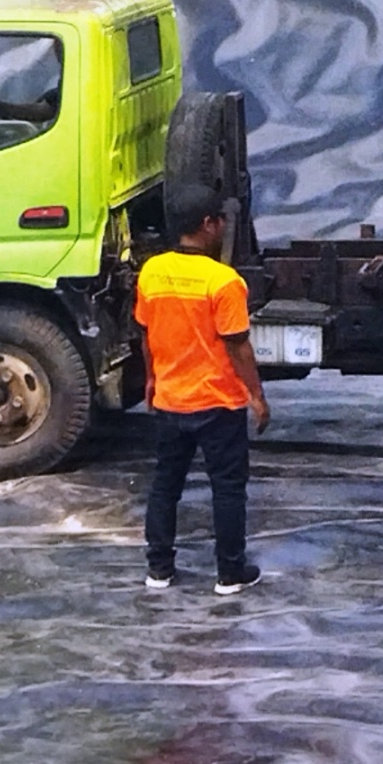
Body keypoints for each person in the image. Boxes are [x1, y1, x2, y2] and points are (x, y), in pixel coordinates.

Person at [137, 201, 270, 595]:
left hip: (170, 400)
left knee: (165, 485)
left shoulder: (152, 273)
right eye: (221, 222)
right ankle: (230, 573)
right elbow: (239, 347)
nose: (223, 229)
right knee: (227, 488)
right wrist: (257, 395)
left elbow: (146, 335)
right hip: (218, 403)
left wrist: (151, 380)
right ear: (207, 224)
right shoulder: (223, 281)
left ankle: (159, 570)